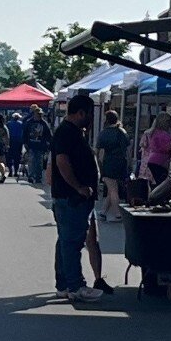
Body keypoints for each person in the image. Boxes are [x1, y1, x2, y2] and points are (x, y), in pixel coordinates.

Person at [49, 93, 103, 302]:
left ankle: (64, 283)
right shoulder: (67, 133)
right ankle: (75, 285)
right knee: (72, 242)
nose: (90, 118)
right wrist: (78, 187)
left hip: (70, 197)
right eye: (89, 114)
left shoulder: (72, 132)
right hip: (71, 197)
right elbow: (62, 162)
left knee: (65, 241)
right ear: (80, 113)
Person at [96, 110, 129, 222]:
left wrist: (99, 165)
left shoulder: (104, 133)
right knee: (112, 189)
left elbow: (99, 151)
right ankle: (103, 212)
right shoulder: (122, 132)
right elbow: (127, 149)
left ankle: (117, 214)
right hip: (121, 162)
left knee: (112, 189)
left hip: (109, 162)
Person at [144, 112, 171, 186]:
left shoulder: (155, 133)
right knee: (163, 183)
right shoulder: (163, 135)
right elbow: (166, 147)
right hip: (159, 161)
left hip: (153, 160)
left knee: (159, 182)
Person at [23, 105, 51, 185]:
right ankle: (31, 176)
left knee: (39, 162)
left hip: (40, 146)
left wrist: (48, 144)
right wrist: (25, 142)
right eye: (38, 113)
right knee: (31, 161)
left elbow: (48, 134)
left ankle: (38, 177)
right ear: (34, 114)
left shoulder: (44, 123)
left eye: (40, 114)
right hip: (31, 145)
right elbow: (25, 133)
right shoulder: (29, 122)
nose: (39, 115)